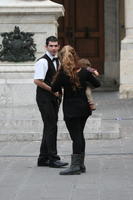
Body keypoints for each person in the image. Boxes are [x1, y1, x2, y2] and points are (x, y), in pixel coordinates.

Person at [51, 45, 101, 175]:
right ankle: (81, 164)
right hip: (84, 108)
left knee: (76, 137)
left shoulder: (62, 74)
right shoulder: (84, 71)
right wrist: (84, 86)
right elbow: (97, 83)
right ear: (75, 56)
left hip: (70, 110)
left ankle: (75, 166)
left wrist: (60, 72)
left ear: (62, 58)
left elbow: (54, 88)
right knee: (80, 135)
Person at [34, 36, 68, 168]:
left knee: (49, 125)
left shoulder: (58, 60)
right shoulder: (42, 62)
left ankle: (43, 158)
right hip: (44, 98)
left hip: (54, 98)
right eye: (51, 46)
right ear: (46, 47)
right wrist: (53, 90)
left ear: (58, 47)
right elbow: (37, 81)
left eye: (55, 46)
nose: (53, 48)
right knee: (51, 126)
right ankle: (53, 158)